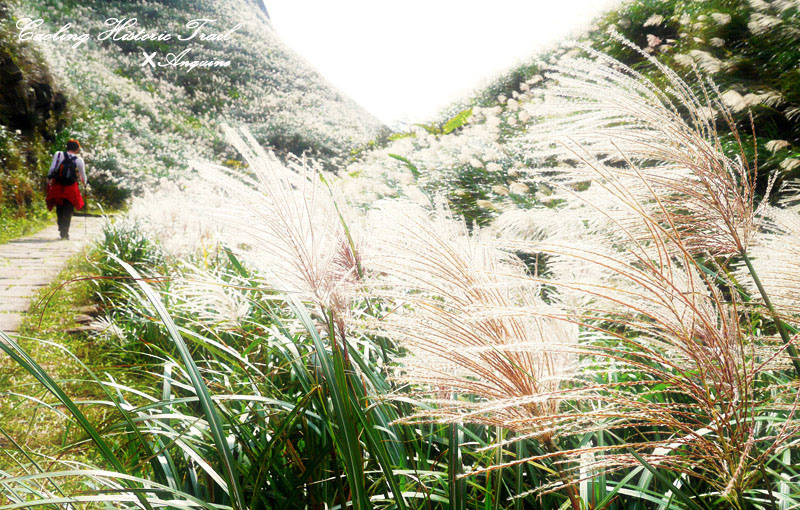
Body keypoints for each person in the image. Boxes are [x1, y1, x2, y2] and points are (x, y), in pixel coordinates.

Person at [46, 139, 87, 240]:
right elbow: (83, 177)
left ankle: (61, 228)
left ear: (67, 146)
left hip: (58, 185)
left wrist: (49, 179)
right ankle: (65, 232)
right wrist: (85, 184)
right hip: (71, 188)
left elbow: (52, 168)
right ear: (77, 149)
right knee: (68, 210)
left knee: (59, 208)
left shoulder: (59, 154)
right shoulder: (79, 160)